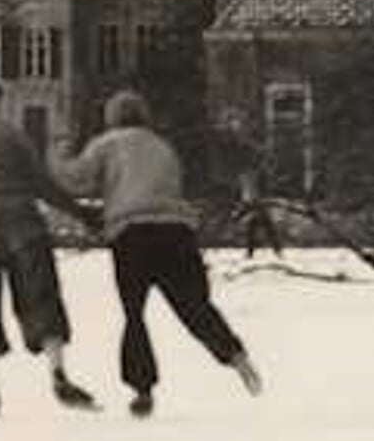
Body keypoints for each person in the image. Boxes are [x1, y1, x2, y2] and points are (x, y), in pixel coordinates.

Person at [51, 90, 262, 418]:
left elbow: (76, 180)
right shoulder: (162, 146)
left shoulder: (107, 143)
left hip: (132, 233)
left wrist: (59, 151)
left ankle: (142, 388)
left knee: (135, 314)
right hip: (177, 232)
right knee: (194, 305)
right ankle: (234, 353)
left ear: (112, 117)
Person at [0, 77, 101, 420]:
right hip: (21, 220)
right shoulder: (12, 135)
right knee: (41, 296)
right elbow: (40, 184)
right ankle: (58, 374)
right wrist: (81, 212)